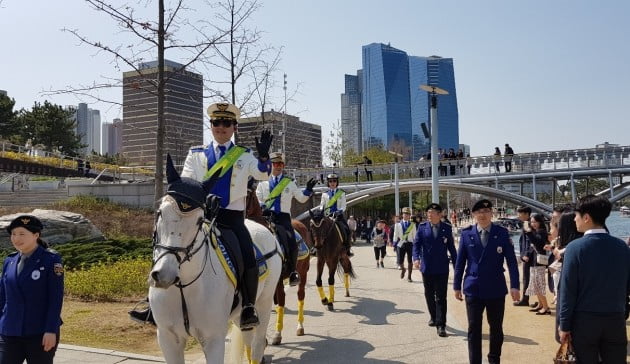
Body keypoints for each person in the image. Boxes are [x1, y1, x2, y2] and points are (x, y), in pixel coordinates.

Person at [130, 102, 272, 330]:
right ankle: (153, 305)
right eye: (217, 122)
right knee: (166, 245)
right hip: (201, 218)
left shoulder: (244, 155)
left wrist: (264, 158)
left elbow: (263, 174)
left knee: (247, 255)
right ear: (211, 125)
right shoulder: (196, 154)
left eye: (226, 123)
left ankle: (247, 307)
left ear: (234, 126)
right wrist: (202, 201)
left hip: (231, 220)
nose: (221, 127)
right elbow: (186, 183)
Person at [558, 195, 630, 363]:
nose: (575, 219)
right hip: (615, 319)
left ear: (586, 217)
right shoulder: (622, 247)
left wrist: (564, 325)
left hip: (585, 321)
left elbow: (568, 290)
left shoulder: (575, 248)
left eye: (576, 215)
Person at [453, 199, 520, 364]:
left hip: (495, 287)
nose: (482, 215)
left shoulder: (502, 233)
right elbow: (460, 262)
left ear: (492, 213)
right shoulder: (466, 234)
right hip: (473, 288)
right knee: (473, 328)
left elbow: (511, 261)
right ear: (474, 214)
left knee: (496, 328)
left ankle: (494, 359)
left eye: (486, 211)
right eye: (479, 212)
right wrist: (456, 286)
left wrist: (515, 286)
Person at [0, 215, 64, 364]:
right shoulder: (9, 261)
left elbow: (55, 298)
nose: (16, 238)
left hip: (39, 331)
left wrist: (51, 330)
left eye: (22, 234)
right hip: (10, 330)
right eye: (14, 234)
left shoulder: (51, 260)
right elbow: (2, 296)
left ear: (36, 235)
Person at [256, 152, 317, 286]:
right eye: (275, 164)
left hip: (283, 219)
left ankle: (292, 271)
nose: (278, 166)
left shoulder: (290, 183)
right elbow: (258, 199)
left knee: (290, 240)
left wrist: (307, 190)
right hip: (266, 217)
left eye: (280, 164)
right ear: (270, 165)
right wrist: (263, 206)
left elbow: (301, 199)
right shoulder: (263, 184)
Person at [413, 203, 457, 337]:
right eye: (428, 213)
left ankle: (441, 324)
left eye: (432, 213)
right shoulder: (422, 227)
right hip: (427, 267)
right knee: (429, 294)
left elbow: (452, 248)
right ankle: (433, 316)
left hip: (442, 268)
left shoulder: (447, 228)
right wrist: (416, 258)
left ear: (440, 214)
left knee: (441, 297)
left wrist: (457, 266)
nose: (429, 215)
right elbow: (416, 244)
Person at [523, 213, 551, 315]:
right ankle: (541, 304)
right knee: (535, 284)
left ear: (540, 222)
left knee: (539, 285)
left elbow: (537, 242)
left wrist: (529, 232)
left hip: (539, 263)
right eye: (531, 222)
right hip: (535, 262)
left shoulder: (542, 232)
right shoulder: (537, 231)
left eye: (535, 222)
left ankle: (546, 307)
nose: (533, 224)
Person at [319, 173, 353, 256]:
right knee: (317, 229)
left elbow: (343, 206)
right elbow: (321, 205)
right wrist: (321, 211)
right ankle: (316, 247)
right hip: (327, 216)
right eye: (330, 181)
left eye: (334, 181)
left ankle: (347, 248)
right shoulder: (325, 194)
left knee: (346, 229)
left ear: (337, 182)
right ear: (328, 183)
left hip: (338, 216)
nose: (332, 183)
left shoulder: (341, 193)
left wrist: (339, 211)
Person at [513, 206, 533, 307]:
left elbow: (530, 241)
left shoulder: (528, 224)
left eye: (519, 213)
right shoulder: (527, 223)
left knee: (527, 278)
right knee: (528, 278)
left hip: (528, 257)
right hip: (527, 256)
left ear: (526, 214)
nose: (518, 215)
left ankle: (525, 299)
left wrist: (526, 254)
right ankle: (528, 299)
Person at [393, 207, 416, 282]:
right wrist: (394, 243)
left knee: (410, 261)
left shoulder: (412, 225)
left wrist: (416, 245)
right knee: (400, 261)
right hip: (401, 244)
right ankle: (403, 269)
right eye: (404, 214)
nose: (406, 215)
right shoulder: (398, 225)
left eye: (407, 214)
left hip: (410, 244)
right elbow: (395, 234)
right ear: (402, 215)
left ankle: (409, 276)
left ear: (409, 216)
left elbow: (415, 236)